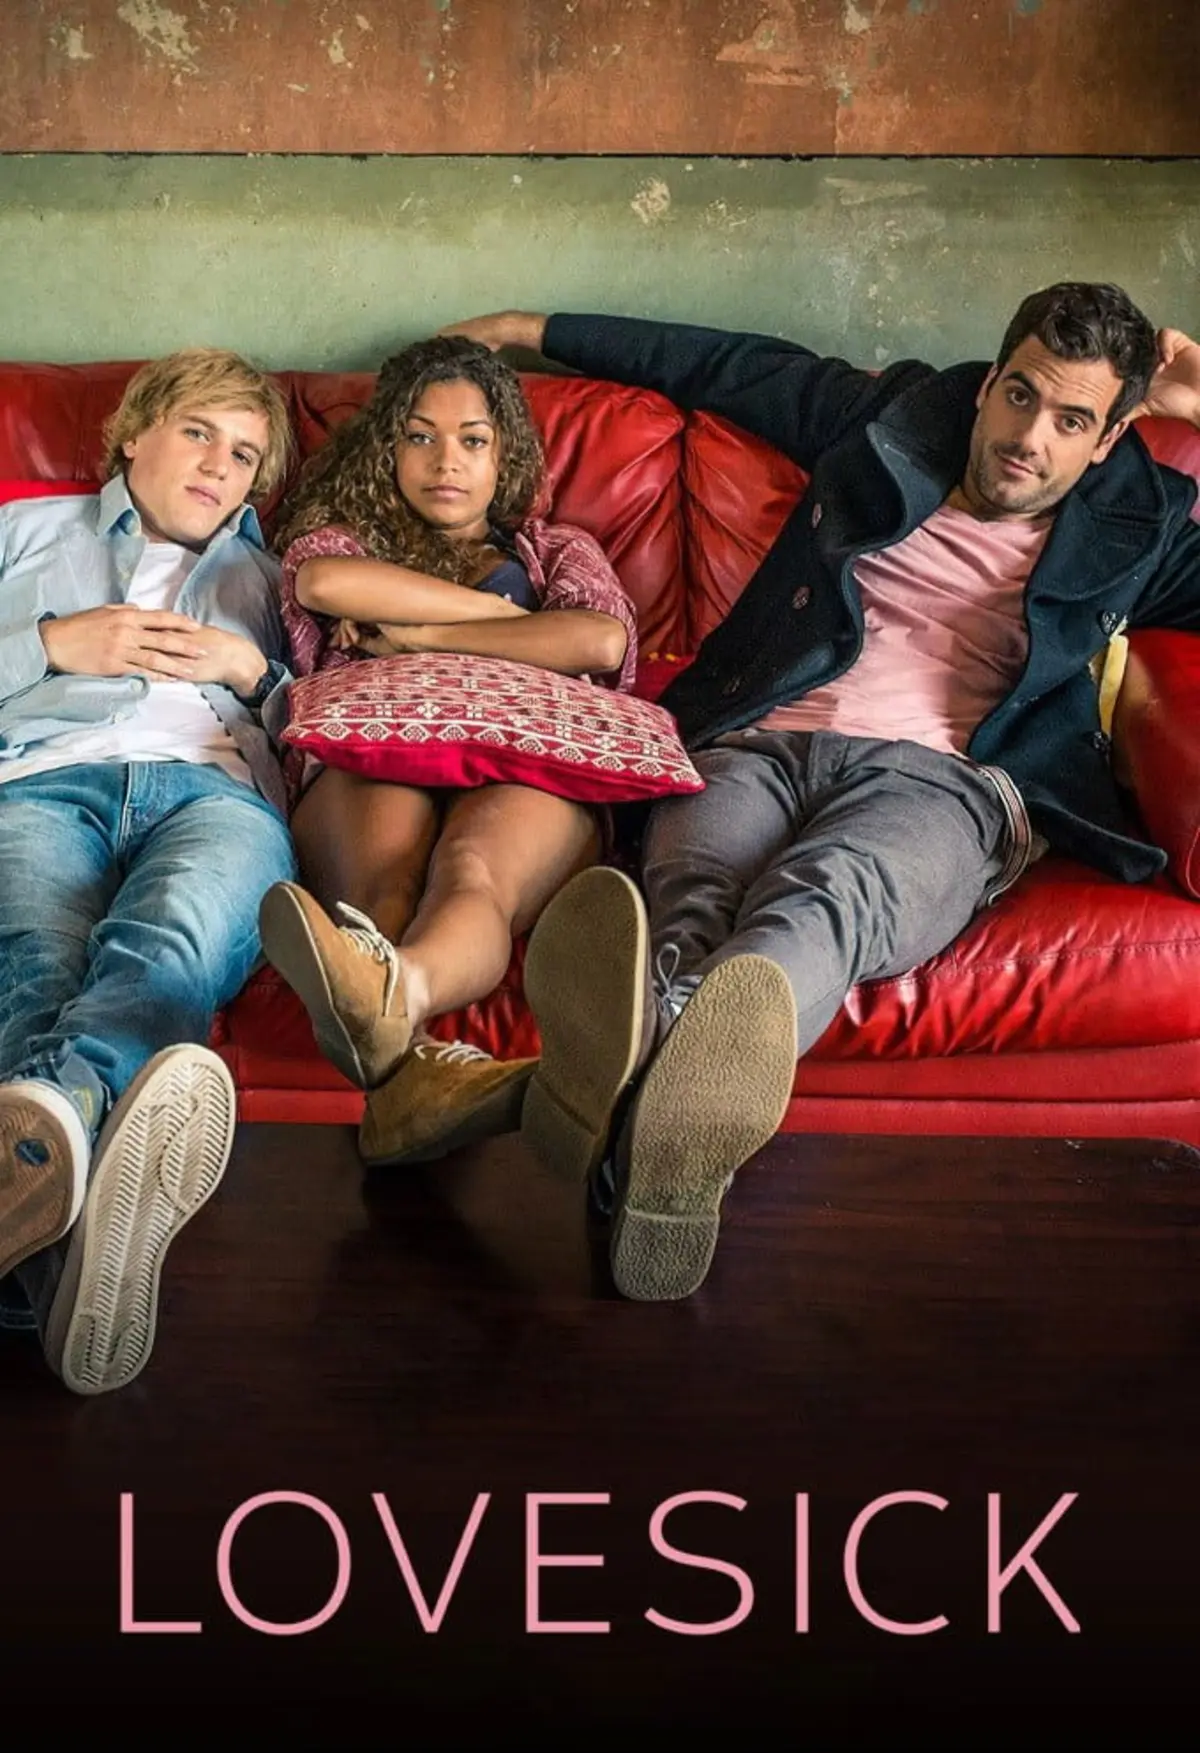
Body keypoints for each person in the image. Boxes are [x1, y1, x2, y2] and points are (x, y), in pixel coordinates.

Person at [442, 288, 1200, 1304]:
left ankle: (625, 1092)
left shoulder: (1141, 523)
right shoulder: (893, 419)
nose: (1029, 437)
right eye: (1020, 395)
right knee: (696, 897)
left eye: (1072, 421)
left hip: (944, 781)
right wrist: (525, 331)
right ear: (988, 383)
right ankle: (669, 1167)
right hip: (758, 737)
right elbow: (724, 363)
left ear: (1107, 440)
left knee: (828, 896)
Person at [258, 335, 638, 1171]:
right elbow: (326, 586)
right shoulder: (342, 536)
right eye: (420, 436)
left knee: (473, 871)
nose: (446, 461)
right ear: (387, 448)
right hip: (373, 741)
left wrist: (420, 636)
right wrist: (506, 620)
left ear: (505, 455)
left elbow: (598, 639)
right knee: (387, 885)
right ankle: (411, 1069)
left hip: (529, 749)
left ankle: (403, 998)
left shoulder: (556, 550)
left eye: (472, 439)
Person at [0, 346, 297, 1394]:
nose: (220, 465)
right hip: (40, 782)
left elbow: (346, 723)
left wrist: (256, 673)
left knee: (167, 944)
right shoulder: (25, 531)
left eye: (245, 454)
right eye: (199, 432)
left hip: (215, 794)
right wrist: (49, 643)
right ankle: (71, 1247)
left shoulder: (279, 580)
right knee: (38, 965)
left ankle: (54, 1138)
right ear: (134, 435)